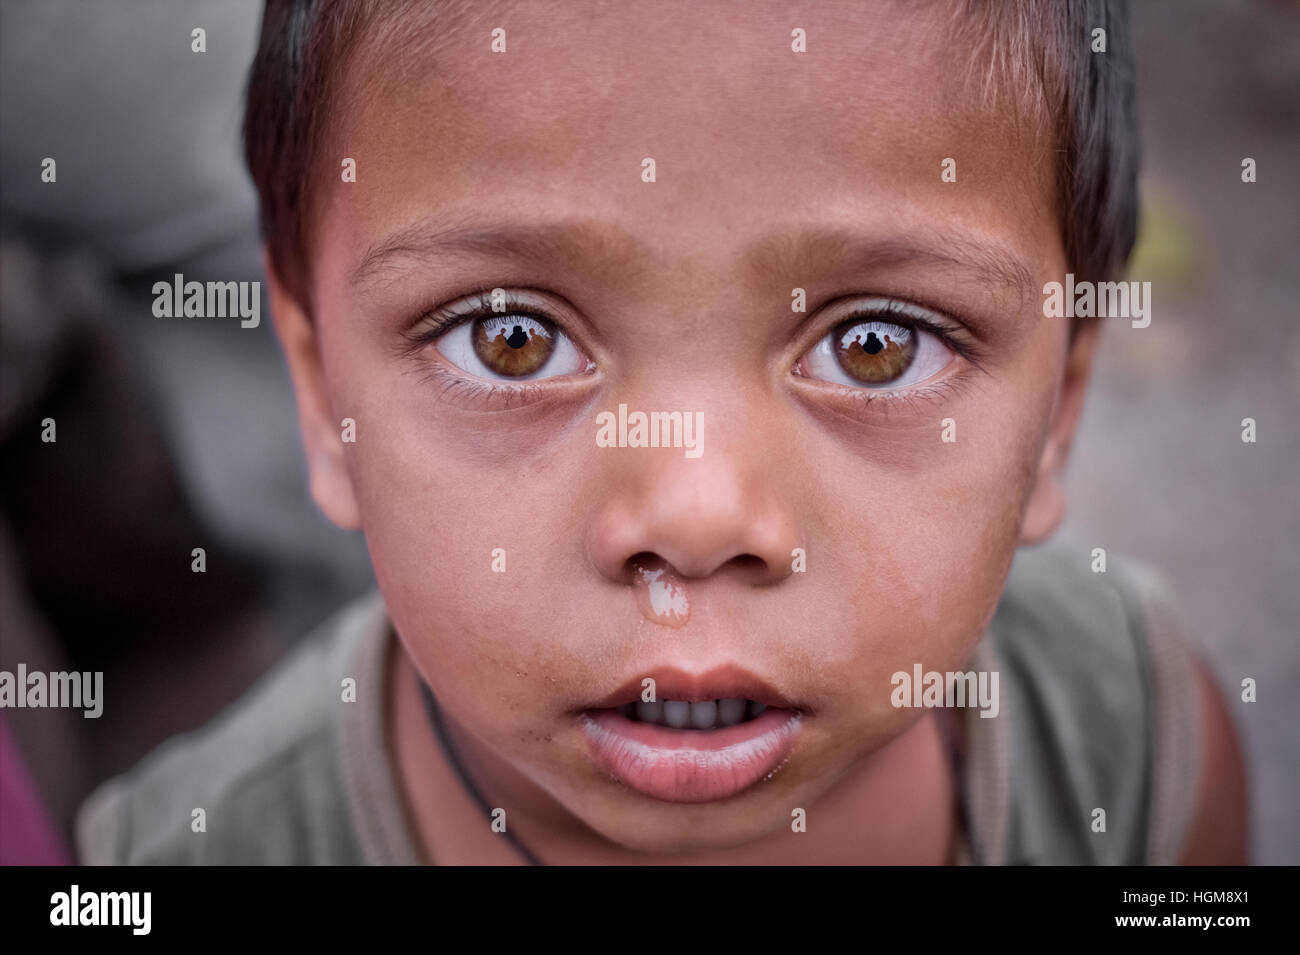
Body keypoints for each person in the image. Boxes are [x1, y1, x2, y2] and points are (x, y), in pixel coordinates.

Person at [76, 0, 1247, 865]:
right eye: (510, 340)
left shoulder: (1131, 749)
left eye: (877, 344)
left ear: (1058, 414)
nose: (695, 516)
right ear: (322, 394)